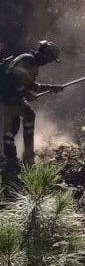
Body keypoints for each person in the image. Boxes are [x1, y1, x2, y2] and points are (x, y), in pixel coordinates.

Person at [1, 40, 63, 177]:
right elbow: (13, 80)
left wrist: (51, 88)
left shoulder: (32, 63)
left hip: (15, 100)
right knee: (10, 132)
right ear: (45, 55)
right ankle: (11, 163)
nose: (48, 63)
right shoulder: (27, 60)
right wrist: (27, 94)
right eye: (49, 60)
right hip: (7, 101)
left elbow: (31, 84)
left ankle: (27, 157)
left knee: (28, 116)